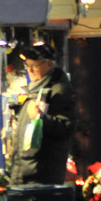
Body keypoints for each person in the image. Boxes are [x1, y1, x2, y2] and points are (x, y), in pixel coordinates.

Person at [8, 44, 76, 185]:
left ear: (49, 64)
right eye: (28, 66)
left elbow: (66, 127)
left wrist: (39, 118)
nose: (30, 70)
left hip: (40, 176)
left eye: (35, 65)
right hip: (26, 173)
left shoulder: (58, 90)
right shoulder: (34, 91)